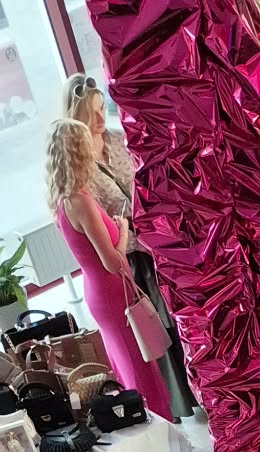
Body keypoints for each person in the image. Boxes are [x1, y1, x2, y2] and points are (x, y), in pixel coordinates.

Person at [61, 72, 194, 417]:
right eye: (92, 112)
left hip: (154, 242)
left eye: (101, 109)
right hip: (126, 253)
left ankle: (194, 392)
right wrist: (129, 233)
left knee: (173, 321)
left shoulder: (119, 140)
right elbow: (100, 231)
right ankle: (173, 403)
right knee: (147, 329)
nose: (99, 118)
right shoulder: (79, 169)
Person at [46, 119, 172, 419]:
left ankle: (150, 424)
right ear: (79, 151)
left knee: (128, 365)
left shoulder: (63, 201)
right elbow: (112, 261)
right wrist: (123, 230)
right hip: (112, 291)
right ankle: (155, 427)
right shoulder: (81, 202)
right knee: (139, 370)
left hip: (100, 292)